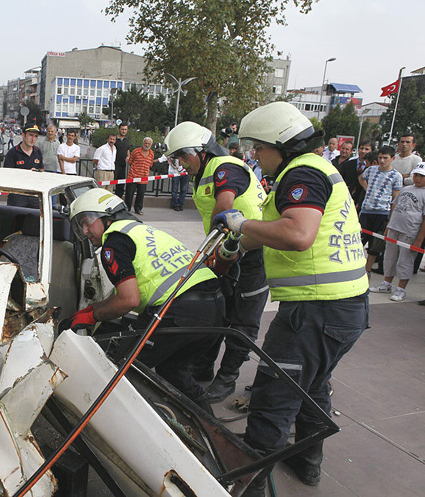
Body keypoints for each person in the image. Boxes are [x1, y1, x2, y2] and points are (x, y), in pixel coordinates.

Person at [213, 102, 368, 496]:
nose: (253, 156)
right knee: (311, 388)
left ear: (280, 146)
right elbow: (275, 228)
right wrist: (238, 243)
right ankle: (307, 463)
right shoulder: (317, 170)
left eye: (258, 148)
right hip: (343, 308)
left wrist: (239, 221)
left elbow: (298, 235)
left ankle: (249, 487)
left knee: (274, 396)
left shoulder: (302, 173)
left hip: (315, 311)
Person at [63, 188, 225, 412]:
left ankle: (127, 429)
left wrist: (92, 315)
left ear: (107, 216)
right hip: (214, 305)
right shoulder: (140, 231)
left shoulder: (114, 242)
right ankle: (211, 431)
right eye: (80, 225)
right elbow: (123, 292)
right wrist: (97, 308)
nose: (85, 230)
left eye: (86, 221)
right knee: (173, 370)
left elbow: (128, 299)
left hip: (180, 311)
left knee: (125, 368)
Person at [164, 121, 269, 403]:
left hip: (253, 252)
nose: (181, 164)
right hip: (227, 250)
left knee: (243, 319)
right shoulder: (207, 170)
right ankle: (203, 365)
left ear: (200, 151)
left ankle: (227, 378)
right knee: (217, 309)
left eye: (183, 157)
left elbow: (225, 207)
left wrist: (212, 247)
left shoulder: (225, 166)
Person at [369, 162, 425, 301]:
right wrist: (388, 226)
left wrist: (419, 239)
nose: (417, 178)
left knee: (405, 260)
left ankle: (401, 288)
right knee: (390, 257)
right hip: (395, 227)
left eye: (421, 176)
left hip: (410, 230)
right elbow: (395, 205)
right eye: (416, 175)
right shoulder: (407, 189)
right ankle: (386, 283)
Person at [359, 145, 403, 275]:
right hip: (366, 210)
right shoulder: (371, 170)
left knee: (375, 245)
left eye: (385, 158)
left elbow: (396, 197)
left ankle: (367, 270)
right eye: (380, 158)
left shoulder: (396, 176)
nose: (382, 161)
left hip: (382, 212)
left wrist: (391, 218)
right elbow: (361, 178)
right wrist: (368, 189)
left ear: (392, 158)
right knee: (359, 239)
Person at [3, 124, 43, 208]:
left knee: (35, 220)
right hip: (17, 195)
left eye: (36, 136)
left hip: (34, 195)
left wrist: (38, 173)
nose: (33, 139)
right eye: (30, 135)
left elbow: (42, 169)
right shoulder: (13, 153)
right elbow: (6, 175)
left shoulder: (38, 152)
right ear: (23, 135)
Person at [340, 138, 374, 210]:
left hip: (362, 202)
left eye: (366, 149)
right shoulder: (347, 164)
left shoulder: (372, 168)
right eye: (361, 148)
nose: (363, 151)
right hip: (345, 200)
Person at [125, 137, 154, 215]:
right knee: (129, 194)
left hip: (144, 178)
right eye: (146, 143)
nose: (147, 145)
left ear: (151, 145)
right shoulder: (136, 151)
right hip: (132, 177)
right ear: (143, 143)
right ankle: (127, 209)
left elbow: (150, 164)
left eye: (149, 143)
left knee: (141, 194)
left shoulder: (151, 153)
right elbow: (130, 161)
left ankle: (138, 209)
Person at [114, 124, 131, 198]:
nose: (124, 131)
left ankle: (118, 199)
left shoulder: (127, 140)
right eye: (122, 129)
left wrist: (128, 156)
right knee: (111, 183)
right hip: (114, 165)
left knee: (121, 185)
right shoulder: (114, 139)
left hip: (123, 165)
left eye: (125, 129)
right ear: (119, 129)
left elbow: (127, 150)